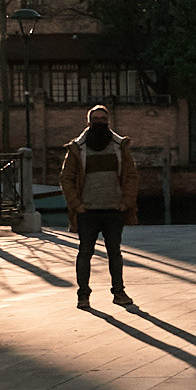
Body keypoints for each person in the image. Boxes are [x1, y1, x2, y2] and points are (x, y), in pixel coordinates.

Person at [59, 105, 139, 309]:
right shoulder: (78, 147)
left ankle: (119, 292)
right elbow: (66, 178)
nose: (100, 122)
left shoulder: (120, 146)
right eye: (96, 119)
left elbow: (131, 176)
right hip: (87, 211)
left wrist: (125, 203)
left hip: (114, 209)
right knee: (85, 252)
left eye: (103, 118)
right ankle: (83, 295)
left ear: (109, 122)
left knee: (115, 253)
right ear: (88, 122)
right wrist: (77, 205)